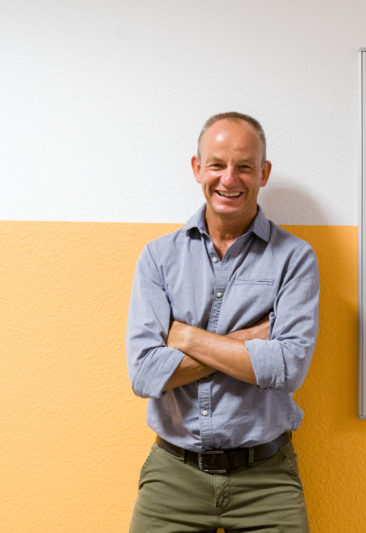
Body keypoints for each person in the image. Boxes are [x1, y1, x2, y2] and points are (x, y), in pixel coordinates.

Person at [126, 112, 319, 531]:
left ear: (263, 173)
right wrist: (251, 339)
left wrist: (187, 337)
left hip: (267, 479)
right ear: (198, 168)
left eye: (244, 166)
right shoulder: (159, 258)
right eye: (217, 164)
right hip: (173, 476)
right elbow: (144, 374)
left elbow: (287, 368)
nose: (229, 179)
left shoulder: (295, 258)